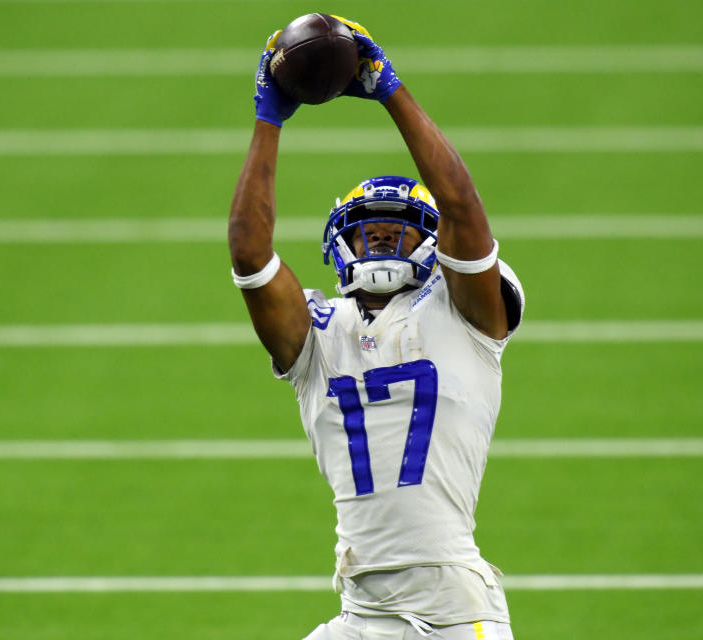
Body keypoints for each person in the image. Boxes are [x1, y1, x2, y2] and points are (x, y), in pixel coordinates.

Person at [228, 16, 524, 640]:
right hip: (361, 615)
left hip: (451, 612)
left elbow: (465, 212)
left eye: (400, 227)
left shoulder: (465, 319)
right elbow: (250, 255)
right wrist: (267, 115)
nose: (384, 237)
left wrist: (390, 89)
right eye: (369, 227)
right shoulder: (318, 336)